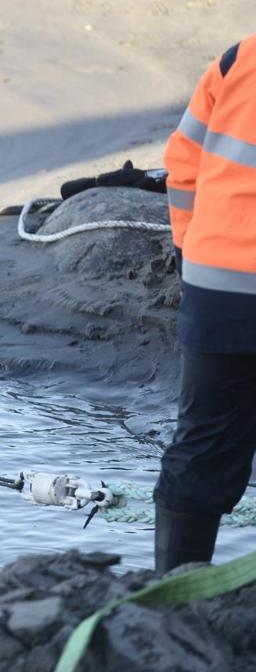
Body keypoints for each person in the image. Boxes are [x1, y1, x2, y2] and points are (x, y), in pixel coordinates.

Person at [155, 35, 256, 573]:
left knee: (201, 444)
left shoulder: (240, 57)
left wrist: (189, 245)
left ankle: (172, 596)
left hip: (217, 285)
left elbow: (182, 160)